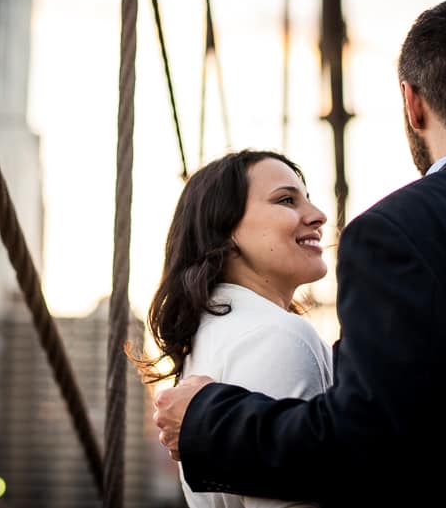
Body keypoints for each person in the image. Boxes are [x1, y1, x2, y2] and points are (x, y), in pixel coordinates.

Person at [152, 0, 446, 503]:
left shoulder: (401, 229)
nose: (318, 215)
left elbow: (366, 445)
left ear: (412, 104)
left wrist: (205, 420)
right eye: (285, 199)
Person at [131, 149, 333, 508]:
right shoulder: (278, 338)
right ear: (225, 231)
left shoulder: (209, 340)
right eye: (286, 200)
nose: (318, 216)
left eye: (308, 199)